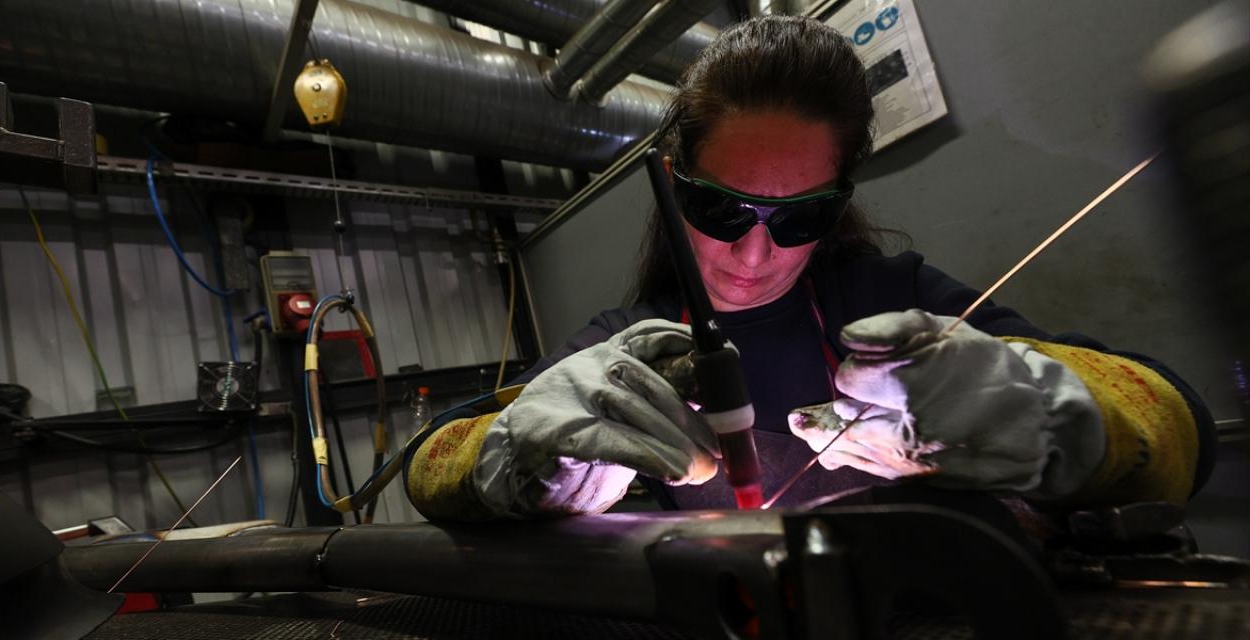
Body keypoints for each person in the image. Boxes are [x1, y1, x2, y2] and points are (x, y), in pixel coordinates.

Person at [402, 15, 1214, 521]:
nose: (756, 255)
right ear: (675, 187)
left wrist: (1053, 417)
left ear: (837, 204)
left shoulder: (893, 300)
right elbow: (431, 460)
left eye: (798, 219)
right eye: (722, 210)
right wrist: (517, 459)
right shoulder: (627, 346)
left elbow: (1179, 422)